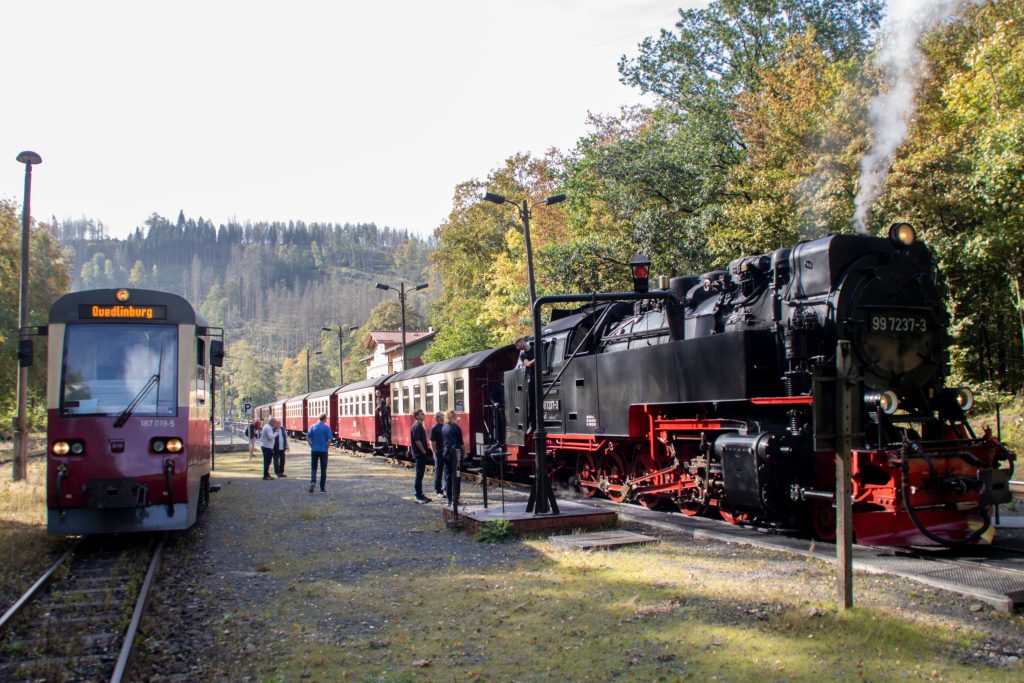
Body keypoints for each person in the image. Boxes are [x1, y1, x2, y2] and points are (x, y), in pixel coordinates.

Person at [441, 409, 464, 505]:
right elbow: (461, 444)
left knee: (448, 476)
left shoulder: (444, 427)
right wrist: (464, 454)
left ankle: (449, 499)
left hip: (446, 453)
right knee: (457, 476)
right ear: (454, 416)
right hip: (455, 453)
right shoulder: (456, 428)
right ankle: (456, 498)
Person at [307, 413, 334, 493]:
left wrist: (311, 445)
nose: (327, 419)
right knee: (323, 469)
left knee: (314, 468)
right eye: (326, 418)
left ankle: (313, 482)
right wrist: (327, 447)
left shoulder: (313, 426)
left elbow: (308, 438)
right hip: (323, 451)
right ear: (324, 419)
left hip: (314, 450)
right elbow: (329, 440)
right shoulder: (326, 428)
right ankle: (322, 488)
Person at [410, 409, 432, 503]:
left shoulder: (419, 426)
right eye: (421, 414)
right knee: (419, 474)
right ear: (417, 416)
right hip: (419, 454)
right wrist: (423, 451)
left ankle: (419, 494)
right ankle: (418, 496)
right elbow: (417, 440)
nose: (424, 414)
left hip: (420, 453)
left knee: (420, 474)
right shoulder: (417, 426)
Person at [515, 337, 536, 433]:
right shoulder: (522, 355)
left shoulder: (535, 347)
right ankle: (532, 424)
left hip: (540, 375)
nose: (517, 347)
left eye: (517, 344)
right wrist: (538, 358)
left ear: (521, 341)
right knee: (530, 401)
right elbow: (528, 364)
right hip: (531, 377)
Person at [429, 411, 445, 497]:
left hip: (445, 452)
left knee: (445, 471)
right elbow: (432, 441)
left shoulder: (445, 426)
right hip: (439, 452)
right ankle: (438, 489)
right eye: (442, 415)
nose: (443, 416)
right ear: (438, 418)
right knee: (439, 471)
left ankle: (445, 488)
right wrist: (435, 452)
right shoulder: (434, 428)